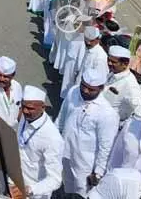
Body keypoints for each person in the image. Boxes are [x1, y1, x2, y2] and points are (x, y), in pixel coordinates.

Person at [57, 67, 119, 197]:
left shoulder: (107, 113)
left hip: (85, 163)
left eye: (91, 89)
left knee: (81, 193)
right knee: (66, 186)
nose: (85, 91)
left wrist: (98, 172)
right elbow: (62, 117)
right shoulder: (74, 91)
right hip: (65, 152)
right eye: (83, 86)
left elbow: (105, 146)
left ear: (101, 88)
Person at [17, 85, 63, 199]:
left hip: (35, 192)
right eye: (23, 106)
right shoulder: (25, 117)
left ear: (43, 107)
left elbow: (55, 179)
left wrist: (30, 190)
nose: (25, 111)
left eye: (30, 108)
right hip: (16, 181)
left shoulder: (52, 138)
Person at [105, 46, 141, 123]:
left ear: (125, 64)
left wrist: (124, 126)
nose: (109, 63)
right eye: (108, 60)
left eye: (113, 62)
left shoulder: (130, 84)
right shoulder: (112, 73)